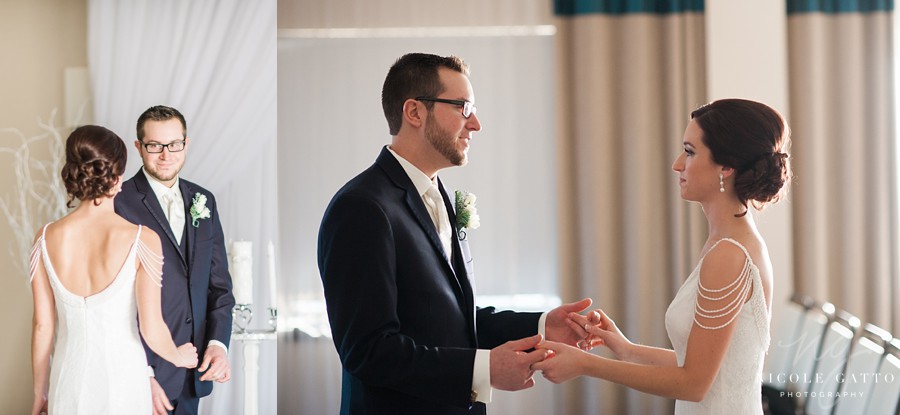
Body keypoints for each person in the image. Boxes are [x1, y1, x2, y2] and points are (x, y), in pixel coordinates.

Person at [317, 52, 598, 415]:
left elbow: (451, 318)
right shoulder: (361, 208)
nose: (476, 124)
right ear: (415, 112)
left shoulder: (440, 195)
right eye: (464, 108)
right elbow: (369, 351)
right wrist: (482, 370)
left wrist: (544, 325)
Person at [533, 98, 792, 414]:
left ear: (726, 166)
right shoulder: (727, 241)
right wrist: (626, 349)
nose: (677, 164)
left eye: (690, 151)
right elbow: (711, 365)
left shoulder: (730, 254)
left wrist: (588, 365)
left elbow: (694, 384)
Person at [30, 125, 199, 415]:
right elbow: (151, 326)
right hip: (124, 381)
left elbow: (43, 326)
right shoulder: (142, 238)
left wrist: (39, 392)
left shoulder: (45, 237)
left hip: (67, 380)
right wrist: (179, 356)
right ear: (118, 176)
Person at [114, 106, 235, 415]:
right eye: (155, 146)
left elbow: (219, 286)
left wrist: (218, 345)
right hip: (144, 375)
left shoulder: (203, 200)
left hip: (193, 371)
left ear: (186, 144)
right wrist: (143, 373)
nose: (166, 154)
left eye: (174, 144)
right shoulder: (119, 202)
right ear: (139, 147)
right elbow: (115, 302)